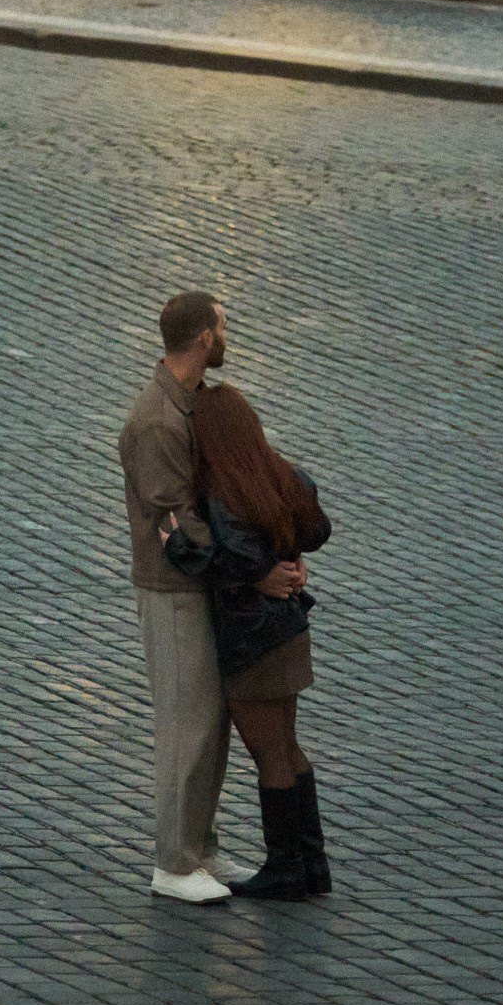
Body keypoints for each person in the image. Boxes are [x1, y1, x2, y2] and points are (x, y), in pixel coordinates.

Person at [117, 291, 305, 905]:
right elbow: (180, 528)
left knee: (210, 720)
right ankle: (174, 862)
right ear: (202, 339)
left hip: (200, 586)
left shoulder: (190, 407)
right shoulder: (158, 422)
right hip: (173, 593)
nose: (227, 335)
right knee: (187, 723)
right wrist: (255, 574)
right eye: (223, 326)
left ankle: (198, 847)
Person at [160, 382, 332, 902]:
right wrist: (292, 555)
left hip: (252, 640)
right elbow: (318, 528)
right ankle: (311, 865)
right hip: (289, 633)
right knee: (288, 747)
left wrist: (182, 550)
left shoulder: (224, 491)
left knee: (270, 755)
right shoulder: (281, 473)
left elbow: (233, 557)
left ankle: (284, 868)